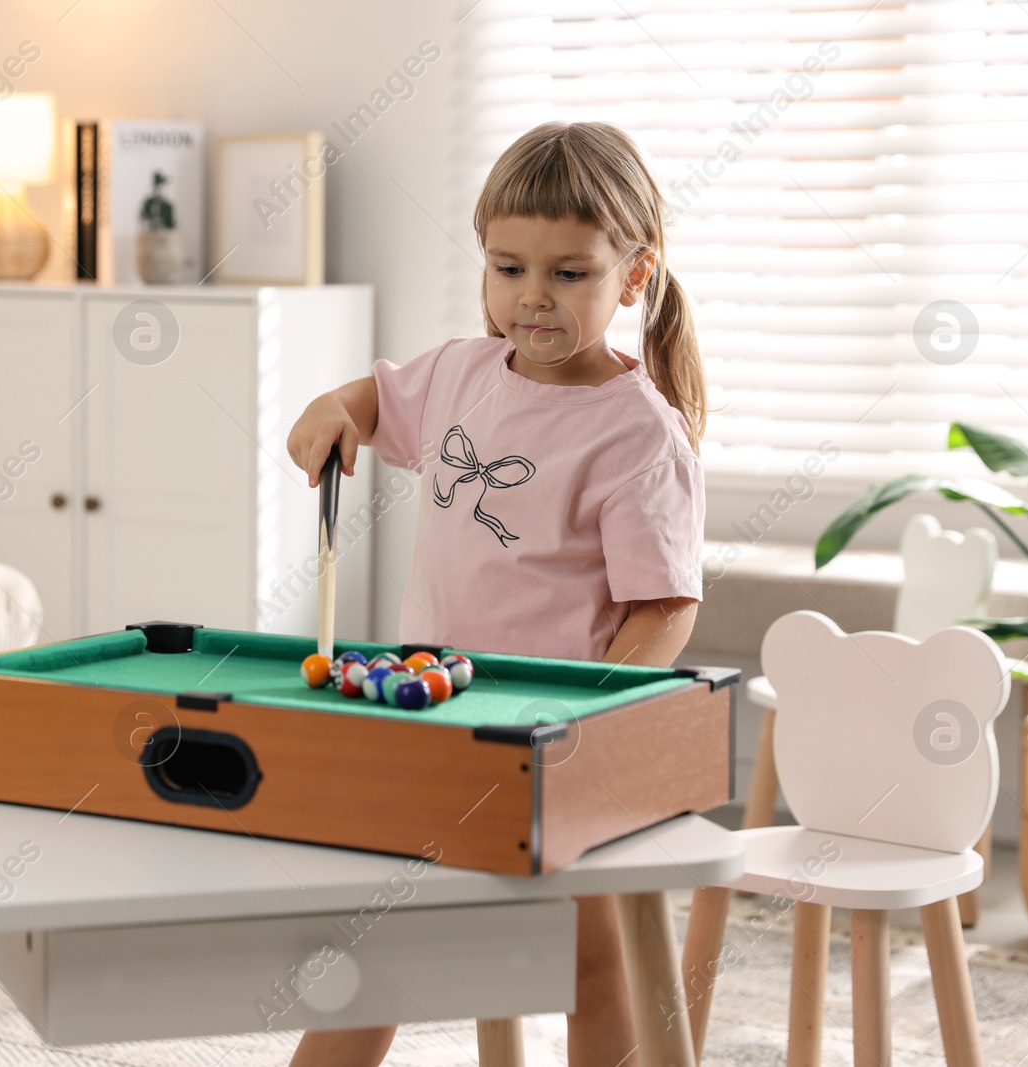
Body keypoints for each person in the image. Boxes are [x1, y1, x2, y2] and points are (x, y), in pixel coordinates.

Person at [283, 120, 708, 1066]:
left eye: (569, 273)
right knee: (374, 948)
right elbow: (366, 403)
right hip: (429, 718)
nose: (532, 297)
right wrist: (327, 412)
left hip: (558, 745)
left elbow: (664, 606)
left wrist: (586, 719)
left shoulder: (638, 434)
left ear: (632, 276)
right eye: (508, 267)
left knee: (591, 968)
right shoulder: (459, 374)